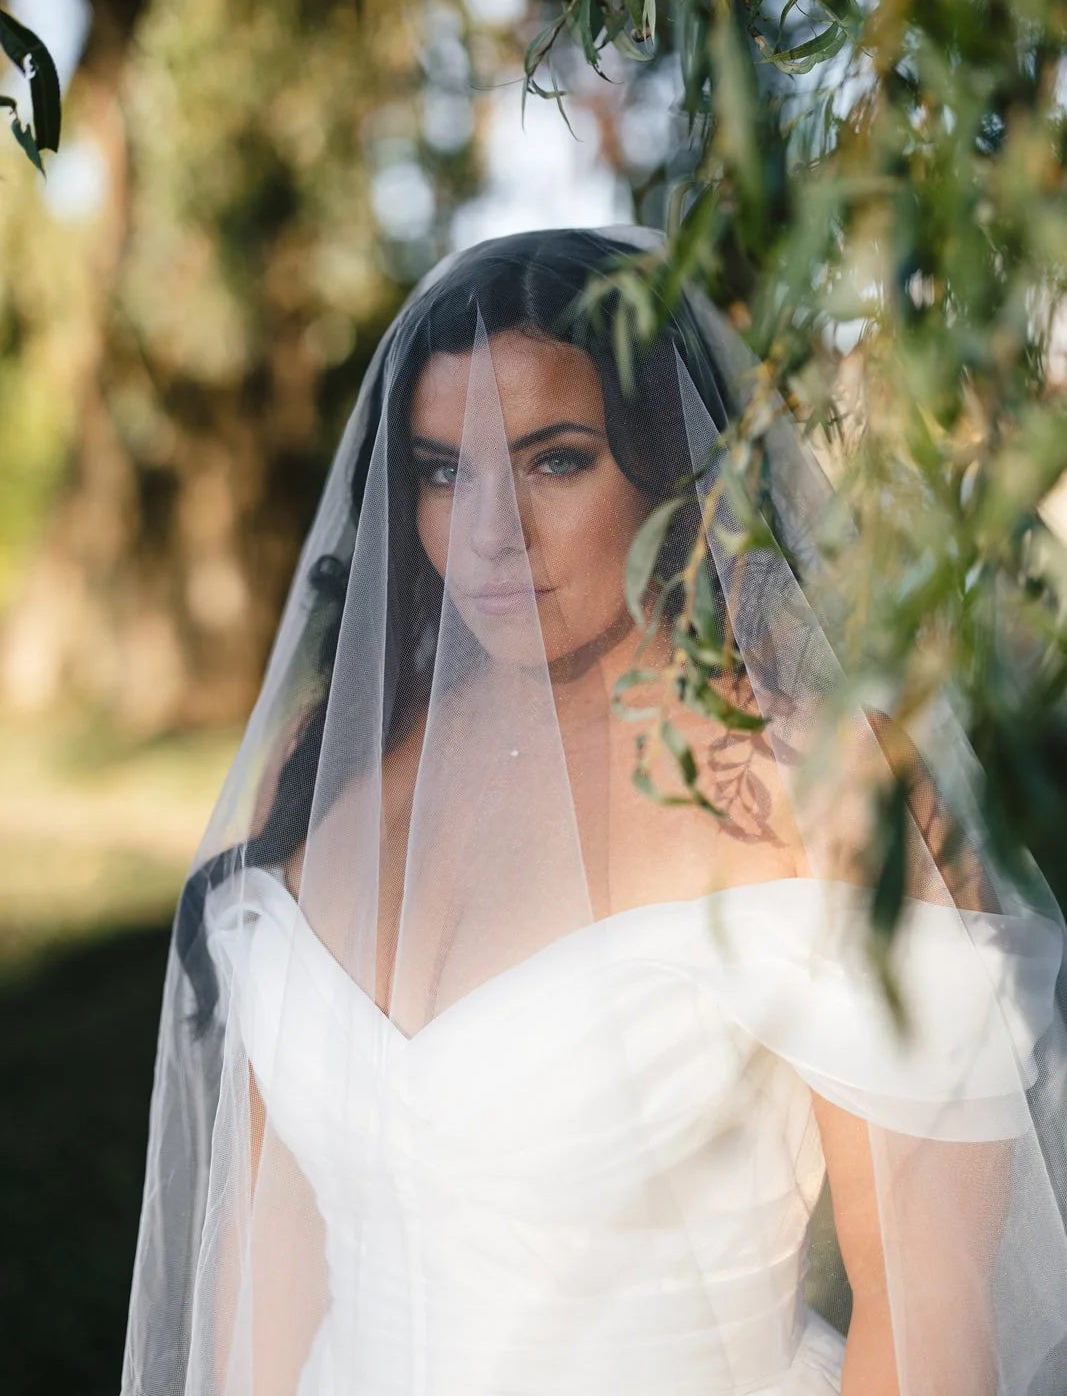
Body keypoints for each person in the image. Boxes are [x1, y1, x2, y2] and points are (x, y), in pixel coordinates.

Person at [122, 228, 1067, 1396]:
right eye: (441, 467)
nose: (486, 531)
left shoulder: (801, 793)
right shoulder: (325, 790)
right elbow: (264, 1299)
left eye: (553, 460)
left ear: (673, 464)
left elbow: (925, 1318)